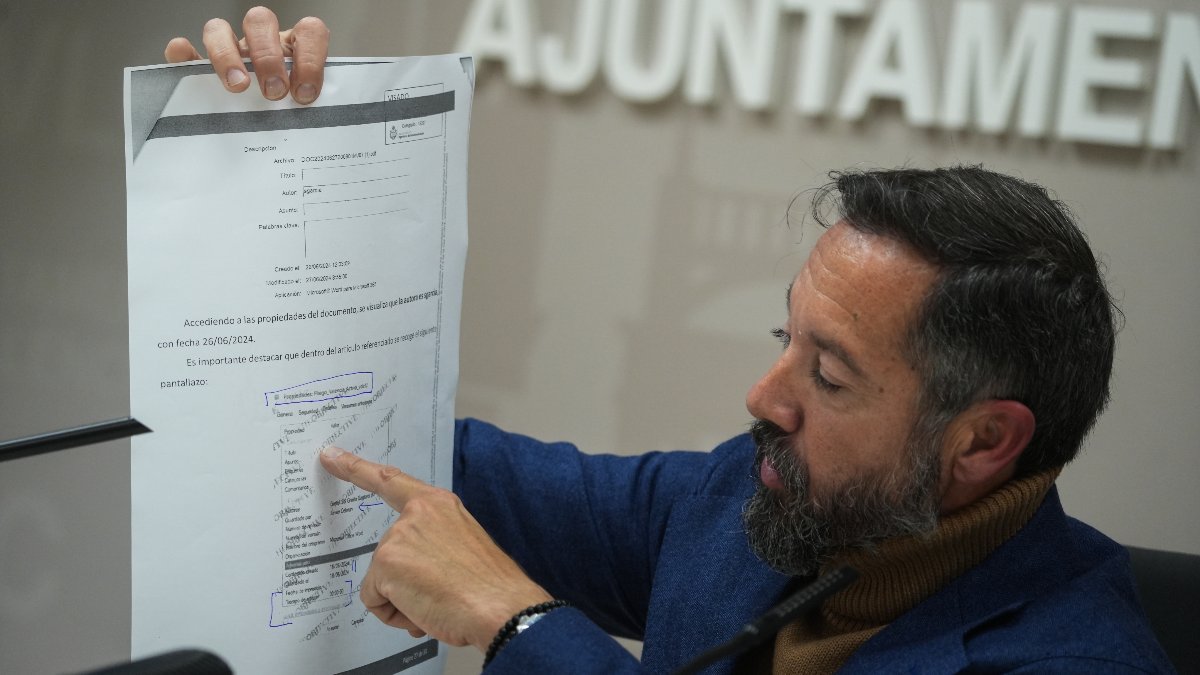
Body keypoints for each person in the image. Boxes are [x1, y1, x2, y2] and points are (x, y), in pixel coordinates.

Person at [168, 9, 1174, 673]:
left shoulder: (1077, 659)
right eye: (786, 337)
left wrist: (519, 624)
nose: (764, 398)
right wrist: (267, 175)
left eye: (828, 375)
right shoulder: (749, 498)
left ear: (982, 441)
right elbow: (425, 466)